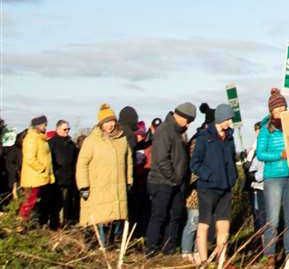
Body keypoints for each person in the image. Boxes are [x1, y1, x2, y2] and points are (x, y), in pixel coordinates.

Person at [255, 89, 289, 269]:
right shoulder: (266, 129)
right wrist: (281, 155)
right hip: (273, 176)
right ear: (271, 110)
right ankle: (270, 255)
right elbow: (260, 154)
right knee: (273, 218)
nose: (280, 109)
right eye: (277, 107)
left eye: (282, 105)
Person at [190, 104, 239, 267]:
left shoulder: (230, 138)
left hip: (225, 187)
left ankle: (221, 260)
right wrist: (208, 175)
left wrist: (233, 177)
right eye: (228, 119)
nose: (230, 123)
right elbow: (194, 163)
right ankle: (203, 260)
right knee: (204, 224)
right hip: (207, 188)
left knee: (224, 224)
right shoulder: (204, 137)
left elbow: (231, 159)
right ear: (220, 118)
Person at [77, 107, 133, 247]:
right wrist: (83, 186)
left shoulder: (122, 140)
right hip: (98, 188)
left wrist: (129, 180)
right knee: (100, 219)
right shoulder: (92, 141)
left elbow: (129, 161)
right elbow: (82, 164)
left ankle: (114, 246)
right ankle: (101, 248)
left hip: (117, 187)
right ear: (100, 124)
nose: (110, 125)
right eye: (106, 122)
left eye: (112, 121)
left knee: (116, 219)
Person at [144, 103, 195, 256]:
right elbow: (161, 159)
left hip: (176, 183)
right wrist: (173, 177)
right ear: (180, 116)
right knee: (159, 215)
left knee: (175, 216)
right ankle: (151, 248)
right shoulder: (164, 130)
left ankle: (169, 247)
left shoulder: (178, 132)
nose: (188, 124)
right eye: (188, 120)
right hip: (161, 182)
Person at [19, 115, 54, 226]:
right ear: (38, 125)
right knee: (29, 203)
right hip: (33, 178)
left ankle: (33, 225)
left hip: (39, 177)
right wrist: (42, 168)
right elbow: (30, 158)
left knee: (36, 203)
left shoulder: (40, 138)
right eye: (44, 124)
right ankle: (22, 225)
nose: (46, 126)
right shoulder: (31, 138)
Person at [48, 119, 80, 228]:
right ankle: (53, 225)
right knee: (55, 204)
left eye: (68, 129)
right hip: (56, 178)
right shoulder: (51, 143)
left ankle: (66, 225)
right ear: (57, 129)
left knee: (68, 203)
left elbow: (75, 160)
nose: (67, 131)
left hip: (69, 177)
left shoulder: (70, 143)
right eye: (65, 129)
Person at [245, 121, 268, 241]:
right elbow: (249, 165)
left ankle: (264, 241)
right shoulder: (253, 147)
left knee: (262, 214)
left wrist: (255, 176)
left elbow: (263, 167)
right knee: (256, 213)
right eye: (257, 130)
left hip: (261, 184)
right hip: (253, 185)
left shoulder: (263, 145)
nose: (258, 132)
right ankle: (257, 239)